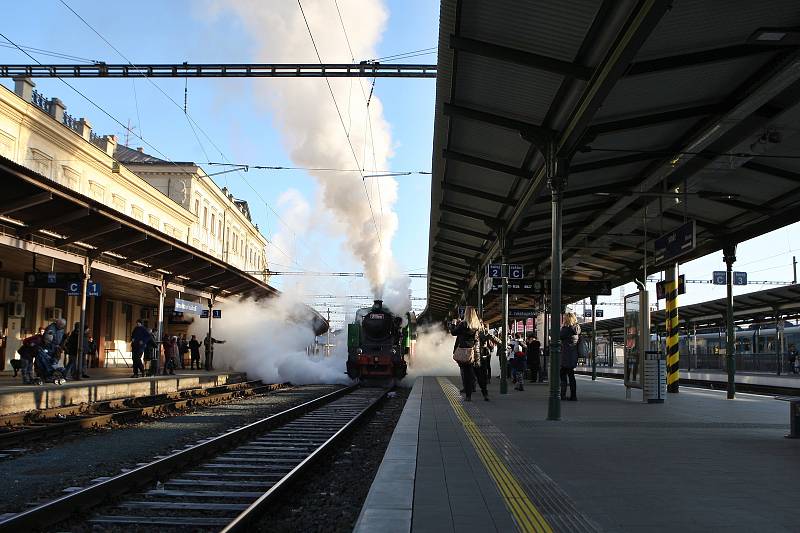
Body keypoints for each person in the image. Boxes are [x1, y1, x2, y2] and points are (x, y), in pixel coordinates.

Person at [449, 307, 488, 402]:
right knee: (479, 375)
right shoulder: (478, 326)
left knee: (467, 375)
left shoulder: (463, 324)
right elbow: (483, 339)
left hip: (466, 353)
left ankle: (468, 396)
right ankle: (485, 394)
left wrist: (453, 324)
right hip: (476, 353)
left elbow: (453, 333)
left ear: (466, 314)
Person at [560, 312, 581, 401]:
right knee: (571, 375)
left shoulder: (566, 329)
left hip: (566, 355)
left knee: (563, 374)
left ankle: (563, 395)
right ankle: (573, 395)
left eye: (565, 318)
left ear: (567, 319)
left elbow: (559, 336)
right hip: (573, 355)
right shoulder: (577, 328)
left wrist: (562, 327)